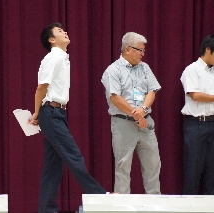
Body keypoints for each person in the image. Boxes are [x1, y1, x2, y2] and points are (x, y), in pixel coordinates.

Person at [28, 23, 106, 213]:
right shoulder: (54, 57)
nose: (65, 32)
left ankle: (46, 209)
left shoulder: (62, 58)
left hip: (57, 112)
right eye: (59, 31)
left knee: (52, 165)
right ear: (51, 40)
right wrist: (37, 113)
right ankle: (98, 196)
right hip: (51, 112)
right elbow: (41, 87)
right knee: (73, 155)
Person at [101, 32, 161, 194]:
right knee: (123, 166)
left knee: (153, 165)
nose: (143, 54)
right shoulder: (113, 70)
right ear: (128, 49)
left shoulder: (145, 68)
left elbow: (152, 91)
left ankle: (154, 204)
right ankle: (122, 208)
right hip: (123, 123)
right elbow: (115, 98)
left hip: (145, 122)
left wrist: (143, 110)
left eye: (143, 50)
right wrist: (137, 115)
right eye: (140, 50)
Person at [180, 34, 214, 195]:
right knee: (193, 170)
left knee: (211, 172)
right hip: (196, 125)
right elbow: (195, 95)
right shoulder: (192, 70)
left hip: (212, 123)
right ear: (208, 49)